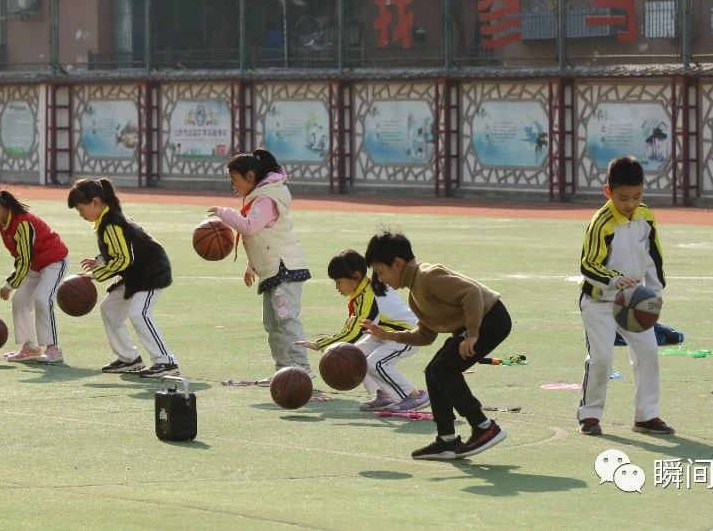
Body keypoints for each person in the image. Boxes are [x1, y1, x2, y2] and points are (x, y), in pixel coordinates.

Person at [360, 231, 511, 461]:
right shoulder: (414, 294)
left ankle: (484, 427)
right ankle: (446, 440)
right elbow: (425, 335)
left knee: (443, 370)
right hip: (477, 325)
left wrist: (471, 334)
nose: (381, 279)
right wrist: (387, 335)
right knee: (434, 371)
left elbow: (471, 294)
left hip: (490, 319)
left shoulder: (427, 276)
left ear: (397, 264)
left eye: (381, 272)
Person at [577, 155, 672, 437]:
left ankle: (647, 416)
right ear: (608, 192)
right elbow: (588, 265)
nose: (630, 204)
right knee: (602, 358)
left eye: (636, 196)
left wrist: (654, 293)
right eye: (623, 198)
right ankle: (590, 415)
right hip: (599, 302)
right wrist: (614, 280)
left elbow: (654, 257)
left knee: (648, 353)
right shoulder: (601, 222)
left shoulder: (646, 216)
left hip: (635, 302)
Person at [209, 147, 312, 384]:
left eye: (234, 180)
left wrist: (224, 213)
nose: (233, 186)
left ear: (250, 177)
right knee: (273, 322)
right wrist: (251, 266)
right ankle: (284, 369)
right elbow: (260, 238)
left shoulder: (267, 198)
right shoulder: (260, 197)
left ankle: (301, 366)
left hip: (284, 270)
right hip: (273, 271)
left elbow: (250, 227)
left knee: (286, 318)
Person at [67, 177, 178, 378]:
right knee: (109, 309)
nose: (80, 214)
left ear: (95, 202)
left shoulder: (112, 223)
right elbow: (120, 250)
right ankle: (129, 359)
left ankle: (166, 361)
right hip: (136, 275)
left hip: (151, 272)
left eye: (80, 208)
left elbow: (124, 259)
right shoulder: (105, 221)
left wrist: (94, 275)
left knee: (139, 313)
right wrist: (100, 260)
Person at [294, 248, 428, 413]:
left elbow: (354, 332)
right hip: (384, 333)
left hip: (406, 334)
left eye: (339, 281)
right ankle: (384, 394)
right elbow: (353, 329)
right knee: (356, 354)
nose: (337, 287)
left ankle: (414, 395)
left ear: (356, 276)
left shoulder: (370, 294)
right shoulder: (361, 293)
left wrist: (320, 344)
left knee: (375, 363)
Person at [0, 189, 69, 364]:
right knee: (20, 301)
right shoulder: (4, 226)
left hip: (54, 262)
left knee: (42, 299)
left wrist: (10, 284)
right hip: (34, 266)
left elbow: (25, 259)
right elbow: (21, 259)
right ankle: (30, 348)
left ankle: (53, 349)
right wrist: (13, 282)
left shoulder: (22, 223)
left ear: (0, 208)